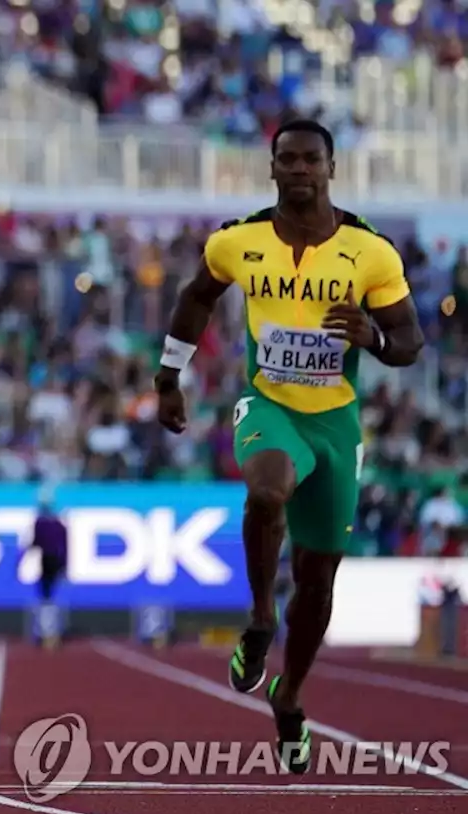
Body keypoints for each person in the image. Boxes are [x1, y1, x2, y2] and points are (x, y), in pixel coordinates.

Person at [153, 120, 423, 774]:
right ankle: (257, 616)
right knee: (267, 488)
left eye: (311, 160)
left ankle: (290, 695)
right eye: (287, 160)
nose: (299, 170)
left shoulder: (372, 253)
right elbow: (195, 299)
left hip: (335, 424)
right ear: (271, 169)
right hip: (269, 405)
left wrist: (374, 340)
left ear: (331, 169)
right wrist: (167, 377)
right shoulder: (237, 241)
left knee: (319, 581)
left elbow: (410, 340)